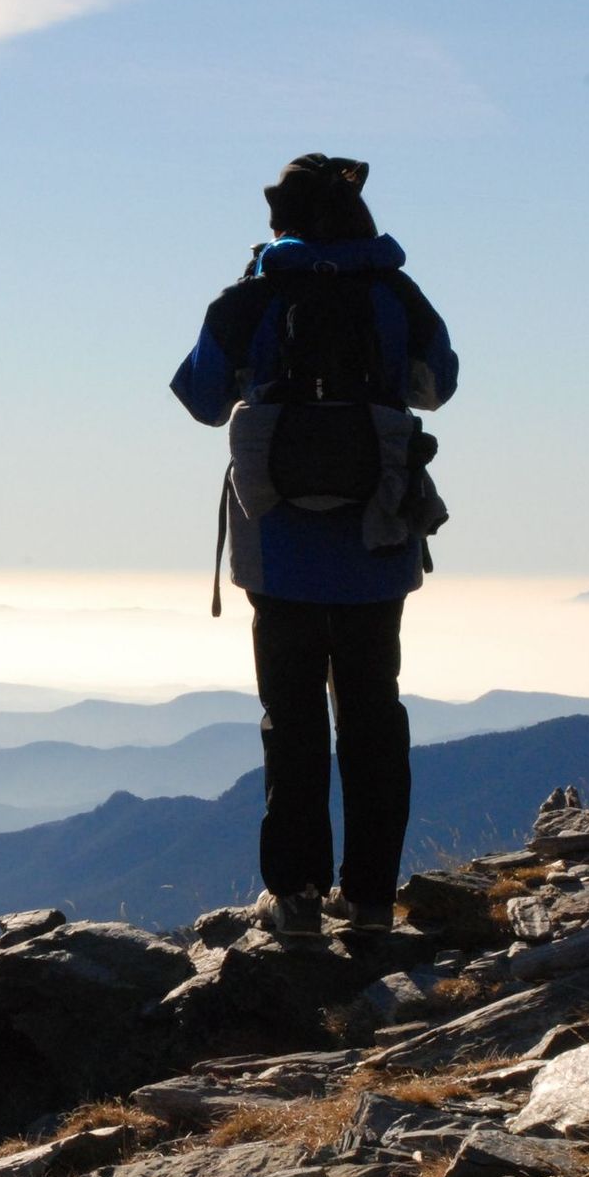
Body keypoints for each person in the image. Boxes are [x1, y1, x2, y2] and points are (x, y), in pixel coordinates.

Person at [169, 154, 458, 937]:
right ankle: (369, 902)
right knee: (373, 716)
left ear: (281, 221)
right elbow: (438, 386)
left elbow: (200, 399)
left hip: (280, 549)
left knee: (291, 719)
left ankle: (295, 898)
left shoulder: (253, 297)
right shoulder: (395, 295)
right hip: (378, 538)